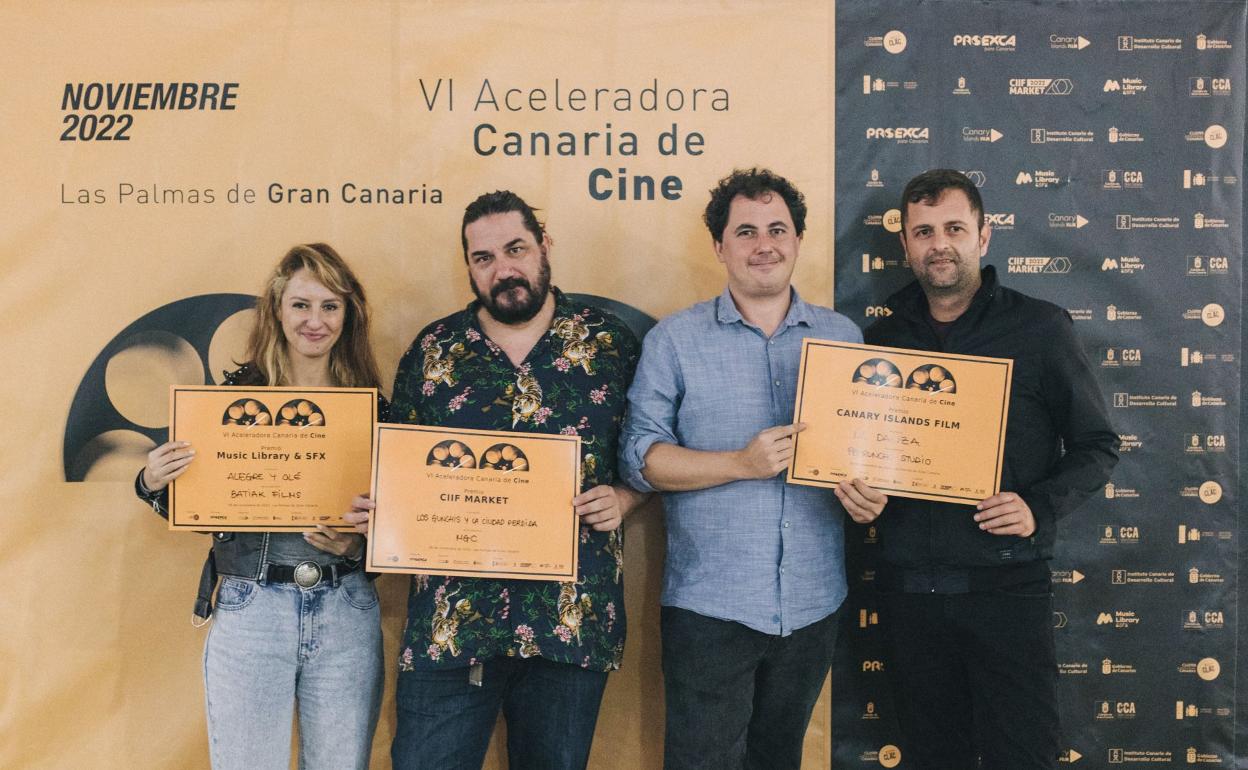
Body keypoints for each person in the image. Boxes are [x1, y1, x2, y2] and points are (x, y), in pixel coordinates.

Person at [349, 190, 644, 770]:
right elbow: (401, 471)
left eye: (516, 249)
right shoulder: (434, 352)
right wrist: (382, 516)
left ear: (544, 247)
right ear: (469, 267)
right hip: (451, 627)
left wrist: (629, 497)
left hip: (570, 625)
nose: (503, 269)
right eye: (484, 258)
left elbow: (652, 453)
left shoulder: (610, 345)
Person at [619, 168, 887, 770]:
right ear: (720, 247)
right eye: (746, 231)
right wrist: (740, 463)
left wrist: (870, 496)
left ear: (797, 240)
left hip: (814, 603)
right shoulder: (675, 340)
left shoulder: (843, 336)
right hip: (711, 608)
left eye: (777, 229)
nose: (763, 244)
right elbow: (641, 460)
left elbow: (868, 454)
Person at [863, 169, 1119, 768]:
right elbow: (861, 456)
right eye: (923, 232)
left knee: (1023, 756)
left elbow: (1097, 444)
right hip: (910, 599)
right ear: (905, 246)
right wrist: (854, 492)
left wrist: (1039, 505)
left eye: (954, 227)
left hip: (1007, 593)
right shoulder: (878, 341)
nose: (939, 244)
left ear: (985, 236)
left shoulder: (1041, 328)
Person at [135, 243, 387, 770]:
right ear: (277, 310)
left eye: (329, 306)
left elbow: (408, 523)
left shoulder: (375, 409)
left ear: (349, 315)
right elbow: (191, 499)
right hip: (253, 605)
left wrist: (362, 542)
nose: (314, 320)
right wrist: (151, 480)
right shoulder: (233, 398)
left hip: (347, 610)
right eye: (301, 304)